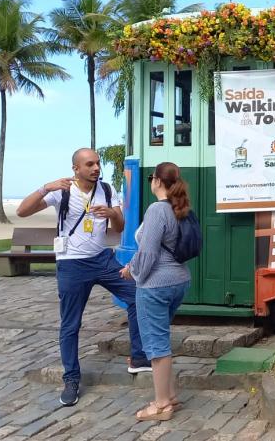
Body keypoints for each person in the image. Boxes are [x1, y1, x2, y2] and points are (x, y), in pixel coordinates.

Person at [16, 148, 151, 407]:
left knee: (136, 295)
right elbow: (22, 211)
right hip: (71, 264)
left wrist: (112, 214)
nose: (96, 168)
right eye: (89, 164)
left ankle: (138, 357)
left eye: (98, 163)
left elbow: (120, 227)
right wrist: (45, 187)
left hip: (102, 259)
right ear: (76, 168)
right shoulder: (62, 190)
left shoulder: (107, 190)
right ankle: (71, 379)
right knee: (70, 324)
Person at [120, 162, 192, 421]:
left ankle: (161, 405)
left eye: (152, 177)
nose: (151, 181)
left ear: (158, 182)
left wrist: (131, 271)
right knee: (161, 338)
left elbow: (148, 253)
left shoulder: (157, 210)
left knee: (155, 345)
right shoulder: (179, 208)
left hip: (155, 285)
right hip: (179, 281)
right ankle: (170, 395)